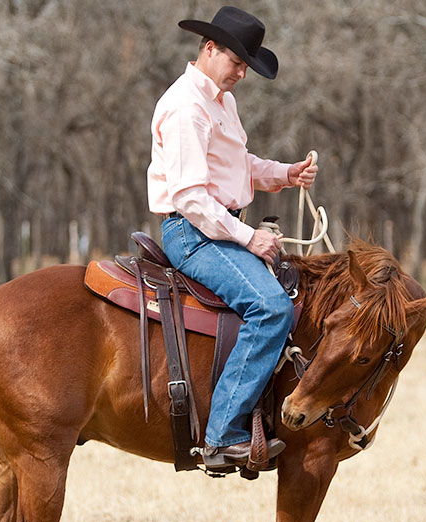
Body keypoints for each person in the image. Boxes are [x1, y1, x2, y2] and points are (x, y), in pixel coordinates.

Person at [147, 6, 318, 470]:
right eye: (237, 62)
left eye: (247, 65)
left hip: (217, 225)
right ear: (209, 48)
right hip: (195, 233)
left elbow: (237, 165)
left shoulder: (220, 101)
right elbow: (190, 197)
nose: (242, 73)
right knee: (271, 308)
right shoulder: (187, 107)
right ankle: (222, 435)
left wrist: (285, 173)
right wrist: (248, 237)